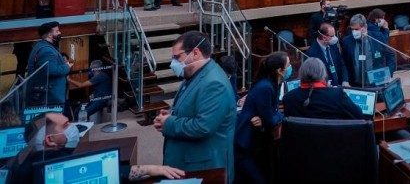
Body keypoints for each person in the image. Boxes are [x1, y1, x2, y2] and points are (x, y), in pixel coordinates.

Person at [5, 112, 184, 184]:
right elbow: (107, 172)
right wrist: (154, 169)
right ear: (50, 140)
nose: (74, 127)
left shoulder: (25, 155)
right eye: (66, 124)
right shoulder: (48, 165)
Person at [154, 31, 236, 183]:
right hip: (187, 161)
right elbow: (192, 108)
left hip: (203, 168)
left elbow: (203, 126)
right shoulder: (194, 75)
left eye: (177, 57)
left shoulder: (214, 83)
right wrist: (170, 114)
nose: (173, 63)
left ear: (195, 53)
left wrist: (169, 123)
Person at [234, 52, 289, 184]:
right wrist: (279, 115)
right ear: (279, 70)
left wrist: (269, 116)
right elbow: (271, 118)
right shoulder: (266, 87)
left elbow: (269, 114)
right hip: (246, 144)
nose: (290, 67)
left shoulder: (271, 83)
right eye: (288, 65)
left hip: (254, 143)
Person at [282, 58, 362, 120]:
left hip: (302, 141)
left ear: (301, 74)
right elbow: (358, 115)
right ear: (323, 75)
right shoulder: (337, 95)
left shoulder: (288, 98)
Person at [26, 21, 72, 107]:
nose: (60, 33)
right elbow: (51, 70)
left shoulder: (42, 46)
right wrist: (66, 67)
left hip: (48, 96)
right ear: (50, 35)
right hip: (50, 97)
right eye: (57, 31)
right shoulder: (46, 50)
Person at [341, 14, 386, 87]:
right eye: (352, 29)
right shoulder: (346, 41)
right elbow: (344, 62)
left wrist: (389, 73)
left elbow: (390, 54)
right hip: (356, 84)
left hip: (376, 83)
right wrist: (345, 80)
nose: (354, 32)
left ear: (365, 27)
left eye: (356, 29)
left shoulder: (378, 37)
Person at [366, 8, 396, 74]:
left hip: (375, 48)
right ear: (376, 18)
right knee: (391, 53)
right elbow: (384, 40)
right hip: (376, 49)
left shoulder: (369, 24)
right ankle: (389, 74)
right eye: (382, 18)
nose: (383, 20)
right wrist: (386, 29)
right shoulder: (372, 27)